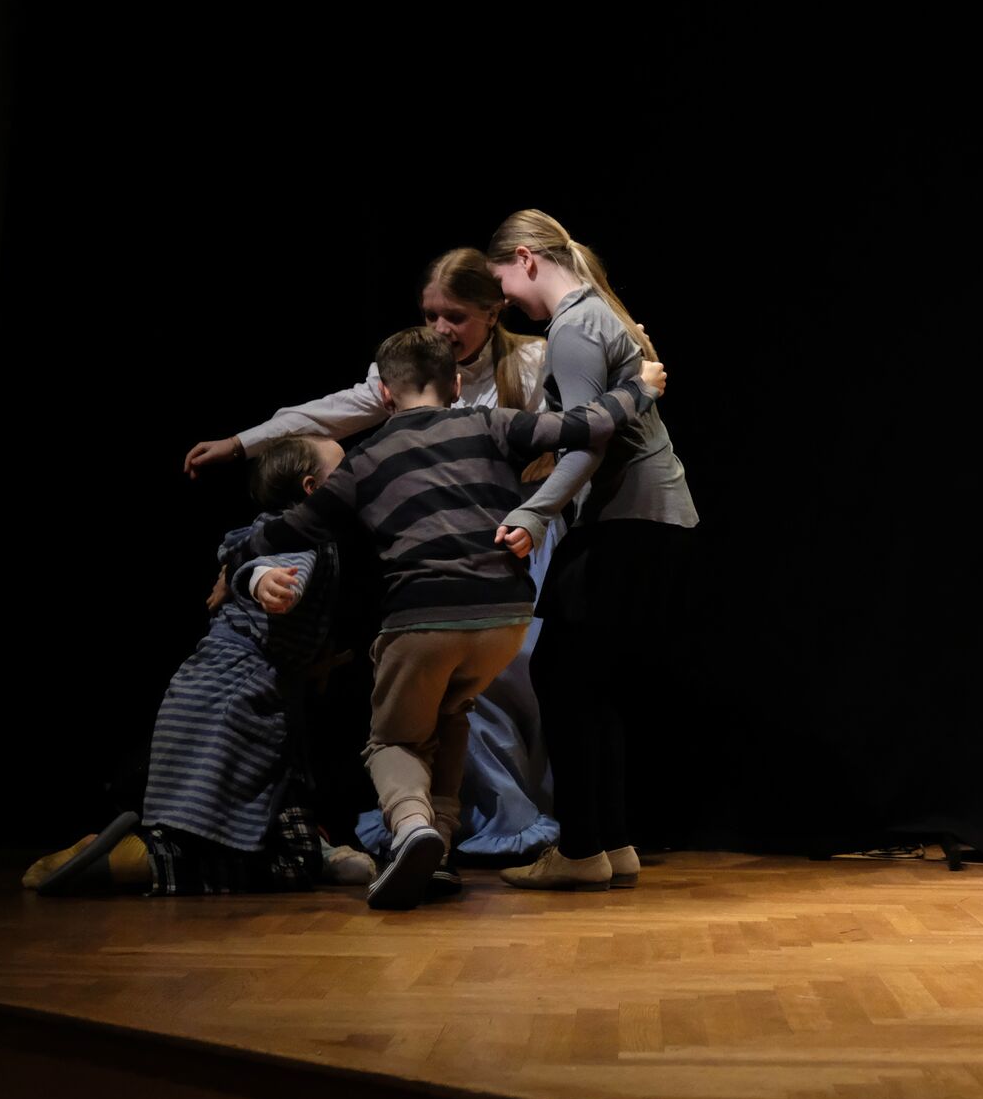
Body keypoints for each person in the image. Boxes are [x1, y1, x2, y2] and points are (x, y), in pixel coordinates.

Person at [223, 326, 666, 910]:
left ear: (385, 394)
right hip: (504, 620)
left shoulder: (365, 460)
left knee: (394, 741)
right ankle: (440, 847)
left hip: (423, 620)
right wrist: (639, 387)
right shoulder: (491, 423)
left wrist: (236, 562)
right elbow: (584, 425)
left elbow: (287, 529)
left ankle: (412, 828)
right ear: (456, 385)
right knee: (452, 715)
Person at [183, 250, 564, 864]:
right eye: (430, 315)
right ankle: (462, 824)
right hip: (448, 557)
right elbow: (325, 414)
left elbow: (574, 439)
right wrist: (240, 444)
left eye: (455, 316)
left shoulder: (530, 362)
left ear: (493, 313)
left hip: (518, 537)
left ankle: (498, 818)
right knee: (465, 701)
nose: (440, 328)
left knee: (514, 687)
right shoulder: (412, 371)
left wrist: (537, 512)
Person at [23, 435, 378, 896]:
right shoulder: (298, 536)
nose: (354, 476)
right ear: (312, 488)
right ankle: (143, 860)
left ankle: (141, 853)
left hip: (219, 689)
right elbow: (264, 567)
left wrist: (314, 659)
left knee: (271, 804)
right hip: (233, 700)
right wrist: (264, 581)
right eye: (343, 469)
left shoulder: (285, 532)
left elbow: (245, 562)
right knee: (272, 857)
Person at [484, 210, 700, 893]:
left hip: (626, 518)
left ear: (525, 258)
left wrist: (532, 512)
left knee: (562, 674)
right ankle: (610, 842)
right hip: (650, 515)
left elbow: (587, 440)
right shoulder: (604, 313)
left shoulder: (574, 325)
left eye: (502, 283)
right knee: (591, 681)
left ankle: (581, 847)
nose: (505, 301)